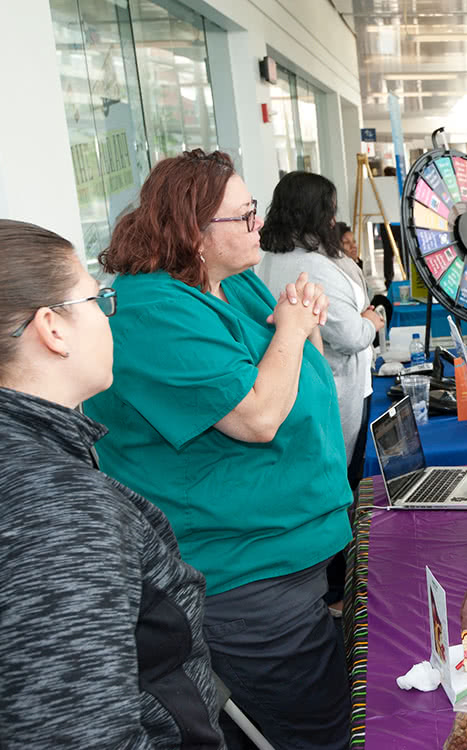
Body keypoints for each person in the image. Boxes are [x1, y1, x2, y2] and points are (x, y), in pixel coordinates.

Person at [85, 149, 353, 750]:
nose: (260, 224)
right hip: (245, 578)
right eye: (245, 216)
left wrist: (296, 328)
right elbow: (258, 415)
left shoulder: (236, 286)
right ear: (193, 233)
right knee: (320, 734)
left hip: (291, 559)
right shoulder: (153, 313)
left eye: (254, 210)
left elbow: (287, 372)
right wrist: (291, 330)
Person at [0, 220, 223, 747]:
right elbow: (81, 731)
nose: (109, 315)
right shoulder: (60, 511)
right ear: (52, 327)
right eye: (97, 299)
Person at [258, 172, 385, 492]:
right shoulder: (311, 268)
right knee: (342, 483)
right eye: (329, 211)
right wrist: (370, 319)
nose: (333, 221)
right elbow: (351, 334)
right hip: (333, 389)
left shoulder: (275, 257)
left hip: (307, 389)